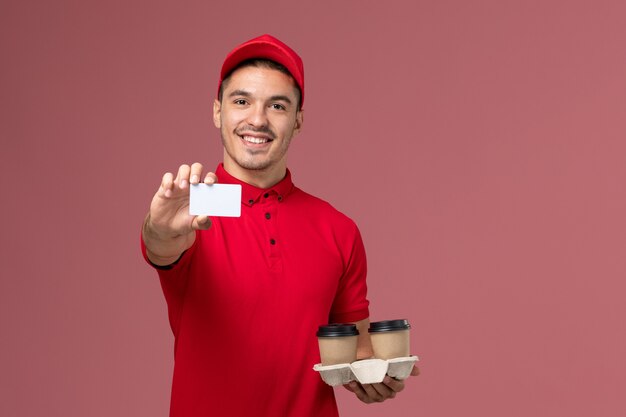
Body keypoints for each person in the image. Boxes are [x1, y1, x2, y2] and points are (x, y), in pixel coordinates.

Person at [141, 34, 418, 416]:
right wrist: (158, 229)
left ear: (298, 120)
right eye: (241, 101)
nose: (257, 119)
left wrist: (375, 377)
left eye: (277, 105)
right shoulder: (191, 210)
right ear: (218, 111)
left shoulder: (337, 228)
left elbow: (357, 351)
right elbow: (161, 244)